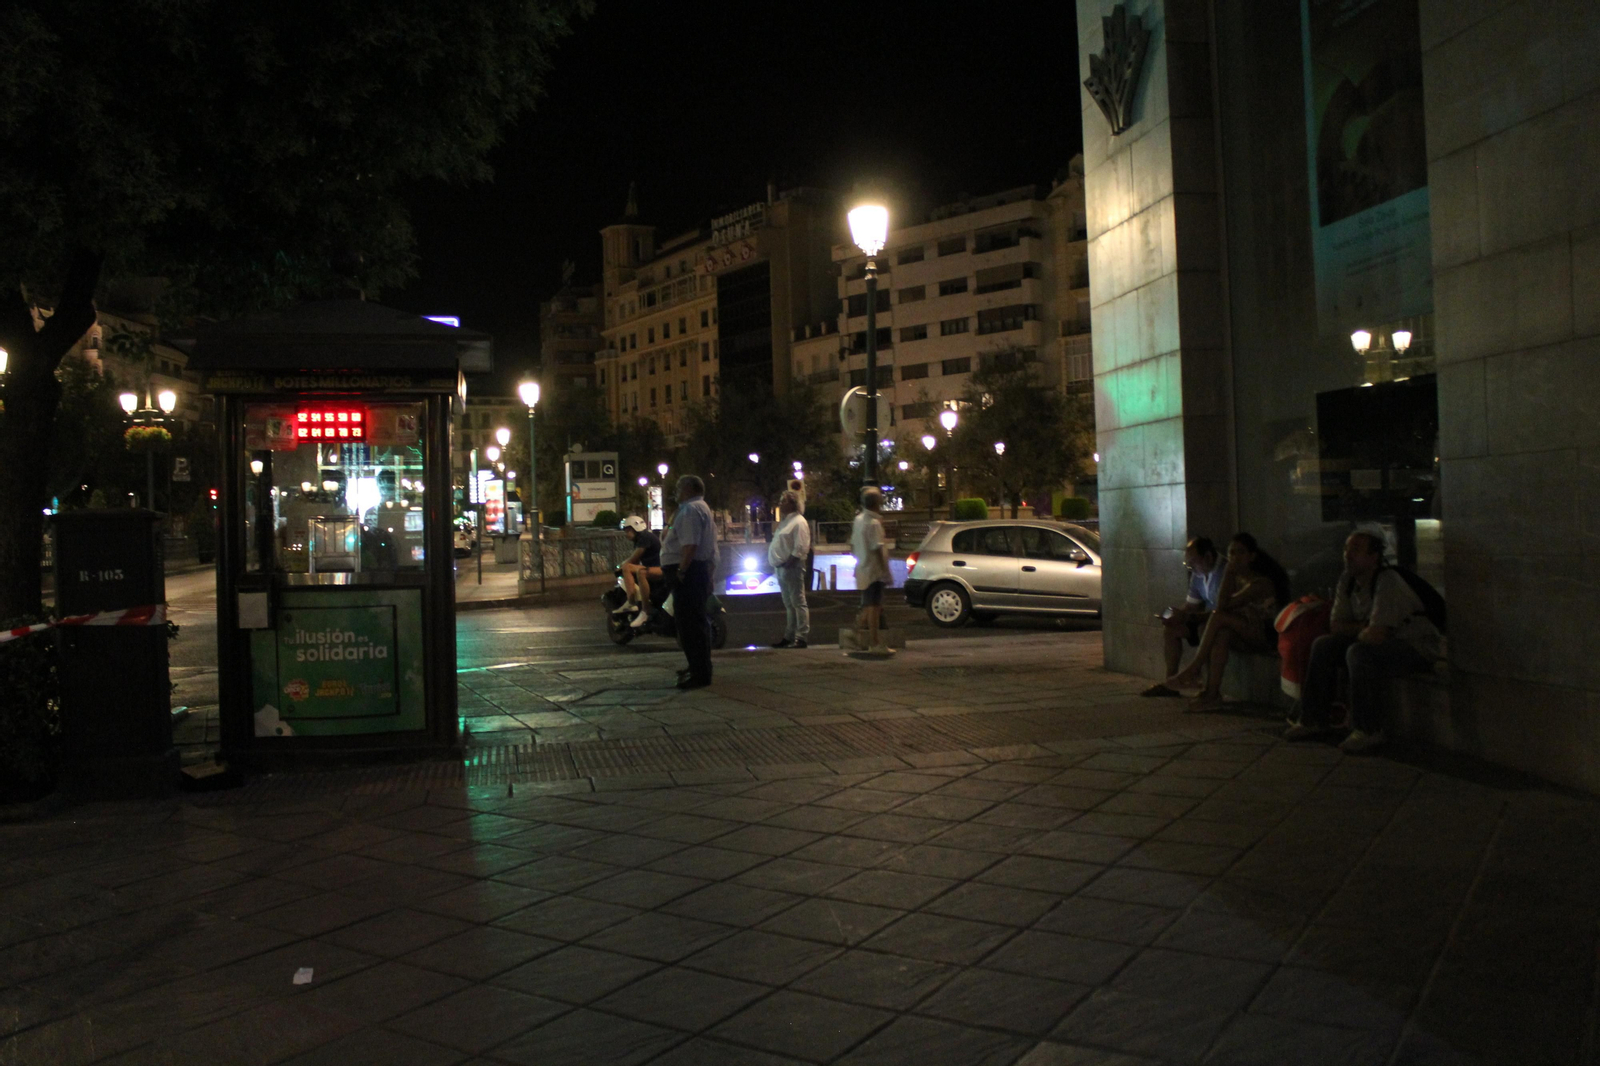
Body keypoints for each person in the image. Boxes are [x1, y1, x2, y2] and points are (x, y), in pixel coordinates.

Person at [1285, 531, 1441, 752]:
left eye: (1356, 549)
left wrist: (1361, 631)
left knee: (1359, 653)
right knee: (1323, 645)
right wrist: (1362, 629)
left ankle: (1368, 729)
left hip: (1415, 647)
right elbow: (1336, 626)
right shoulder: (1347, 581)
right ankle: (1313, 719)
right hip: (1381, 641)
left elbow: (1377, 636)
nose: (1347, 555)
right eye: (1347, 549)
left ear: (1374, 556)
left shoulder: (1388, 580)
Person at [1164, 532, 1290, 711]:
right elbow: (1222, 606)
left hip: (1265, 637)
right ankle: (1212, 694)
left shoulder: (1260, 583)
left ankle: (1194, 668)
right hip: (1248, 632)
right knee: (1221, 634)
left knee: (1218, 618)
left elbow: (1222, 607)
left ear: (1252, 556)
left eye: (1240, 552)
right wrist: (1230, 575)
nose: (1234, 558)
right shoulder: (1236, 578)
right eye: (1231, 553)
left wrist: (1228, 573)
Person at [1142, 537, 1224, 697]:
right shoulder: (1199, 574)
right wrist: (1176, 615)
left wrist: (1188, 616)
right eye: (1189, 565)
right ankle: (1171, 682)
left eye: (1193, 563)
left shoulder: (1224, 572)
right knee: (1171, 629)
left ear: (1208, 557)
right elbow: (1191, 605)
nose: (1192, 569)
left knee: (1204, 630)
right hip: (1203, 619)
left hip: (1217, 623)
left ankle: (1208, 687)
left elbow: (1222, 612)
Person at [661, 474, 718, 690]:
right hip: (696, 572)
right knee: (693, 624)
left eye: (678, 487)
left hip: (689, 573)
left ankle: (699, 672)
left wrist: (681, 571)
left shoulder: (691, 511)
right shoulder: (698, 508)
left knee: (690, 625)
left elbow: (690, 545)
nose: (675, 491)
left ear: (688, 489)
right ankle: (698, 667)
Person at [850, 485, 894, 657]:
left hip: (862, 567)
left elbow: (852, 546)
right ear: (877, 504)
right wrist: (885, 571)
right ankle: (874, 643)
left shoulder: (859, 520)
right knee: (875, 606)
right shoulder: (874, 523)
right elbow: (877, 549)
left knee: (869, 605)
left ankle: (857, 632)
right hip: (874, 570)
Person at [768, 490, 811, 648]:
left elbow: (800, 547)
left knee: (798, 601)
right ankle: (790, 635)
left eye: (783, 501)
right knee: (789, 603)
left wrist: (788, 563)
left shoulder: (799, 522)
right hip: (782, 567)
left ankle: (801, 637)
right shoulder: (786, 521)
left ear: (792, 504)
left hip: (791, 567)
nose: (780, 503)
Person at [614, 515, 663, 629]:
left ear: (635, 528)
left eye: (628, 531)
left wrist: (620, 566)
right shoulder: (643, 538)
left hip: (658, 568)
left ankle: (631, 602)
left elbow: (634, 558)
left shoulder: (644, 537)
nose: (626, 534)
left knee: (627, 567)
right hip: (654, 567)